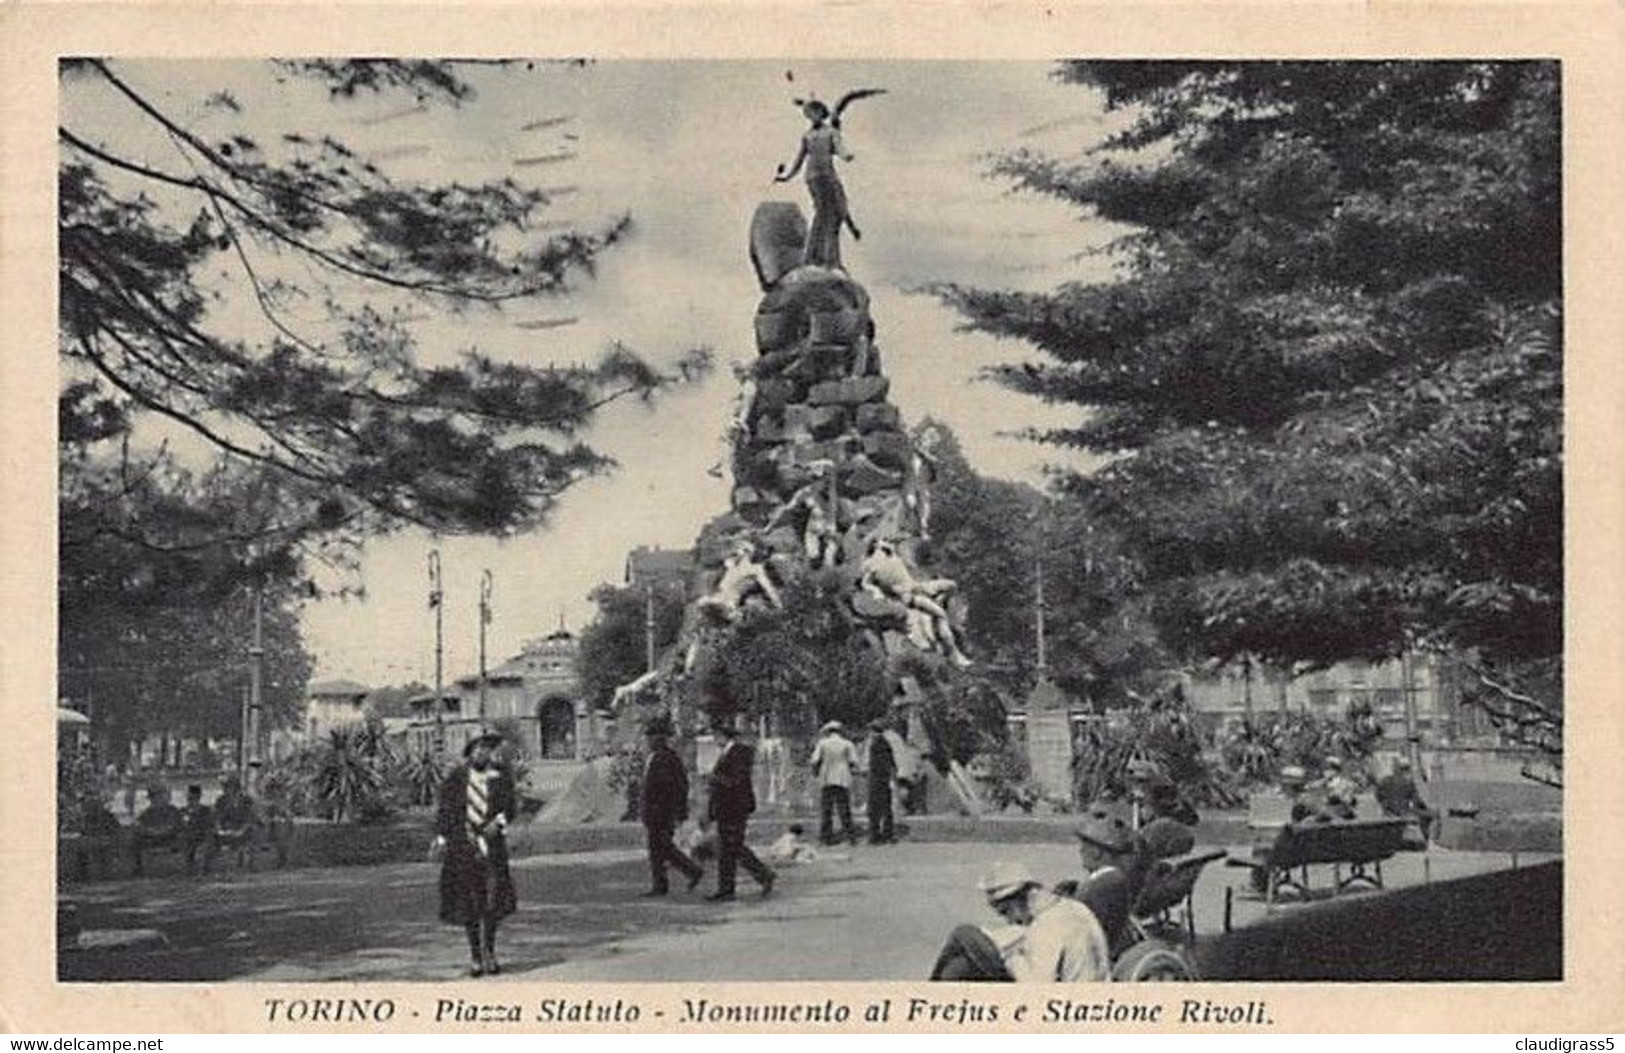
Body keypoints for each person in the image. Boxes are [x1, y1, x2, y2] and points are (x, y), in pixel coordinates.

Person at [929, 862, 1111, 982]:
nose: (1010, 920)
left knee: (964, 935)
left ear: (1025, 897)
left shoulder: (1047, 927)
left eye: (1006, 911)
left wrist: (1011, 955)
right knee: (962, 959)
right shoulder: (1072, 908)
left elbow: (1035, 991)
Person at [433, 732, 518, 977]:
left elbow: (510, 808)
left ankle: (490, 951)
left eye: (487, 749)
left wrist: (498, 823)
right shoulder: (456, 779)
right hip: (464, 846)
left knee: (492, 901)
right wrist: (441, 837)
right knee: (469, 902)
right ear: (470, 752)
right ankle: (475, 957)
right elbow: (445, 812)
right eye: (477, 749)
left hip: (492, 847)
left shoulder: (500, 778)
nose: (482, 753)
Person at [705, 716, 776, 901]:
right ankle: (735, 885)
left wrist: (715, 779)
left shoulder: (739, 752)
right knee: (731, 848)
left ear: (722, 736)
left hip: (734, 807)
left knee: (730, 848)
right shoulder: (730, 752)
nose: (714, 740)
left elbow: (737, 780)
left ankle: (730, 888)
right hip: (727, 807)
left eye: (716, 736)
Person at [1056, 808, 1142, 958]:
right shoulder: (1112, 879)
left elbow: (1074, 927)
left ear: (1097, 851)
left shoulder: (1102, 886)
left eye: (1084, 845)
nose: (1080, 850)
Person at [640, 715, 704, 897]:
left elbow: (677, 786)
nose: (649, 740)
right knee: (659, 849)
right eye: (649, 737)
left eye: (652, 737)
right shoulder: (655, 757)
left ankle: (689, 872)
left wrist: (677, 810)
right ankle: (662, 883)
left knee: (661, 848)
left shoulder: (666, 758)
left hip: (661, 812)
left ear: (659, 739)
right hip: (654, 812)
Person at [809, 721, 859, 846]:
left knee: (827, 809)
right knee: (844, 808)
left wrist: (815, 773)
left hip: (827, 777)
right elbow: (853, 761)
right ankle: (850, 836)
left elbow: (815, 760)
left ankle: (826, 837)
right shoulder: (847, 744)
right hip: (842, 776)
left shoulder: (822, 743)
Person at [1376, 756, 1436, 841]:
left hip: (1391, 815)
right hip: (1402, 817)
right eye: (1405, 769)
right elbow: (1417, 801)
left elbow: (1379, 797)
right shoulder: (1407, 783)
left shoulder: (1385, 781)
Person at [213, 774, 260, 869]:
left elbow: (250, 818)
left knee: (252, 831)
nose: (226, 789)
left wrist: (240, 831)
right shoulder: (221, 800)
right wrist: (220, 830)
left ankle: (246, 859)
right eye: (225, 787)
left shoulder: (246, 799)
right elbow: (217, 817)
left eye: (229, 786)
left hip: (243, 830)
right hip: (227, 829)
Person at [865, 719, 897, 844]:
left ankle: (876, 835)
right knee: (886, 808)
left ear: (874, 731)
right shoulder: (886, 743)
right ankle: (887, 834)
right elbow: (892, 763)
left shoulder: (876, 744)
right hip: (884, 779)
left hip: (878, 780)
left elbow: (877, 764)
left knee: (874, 809)